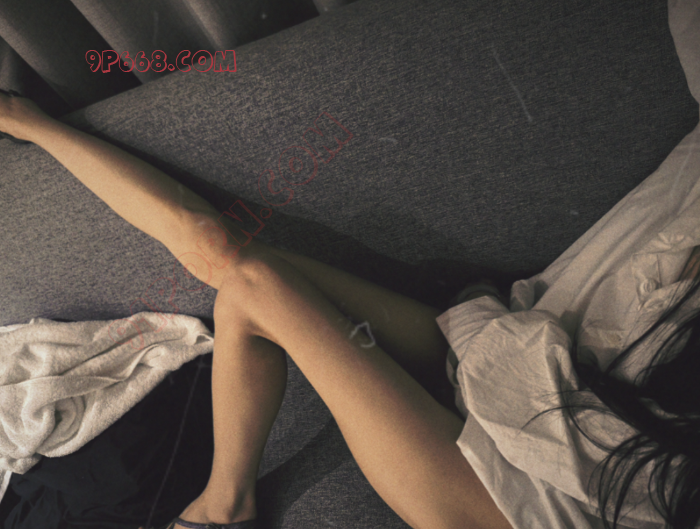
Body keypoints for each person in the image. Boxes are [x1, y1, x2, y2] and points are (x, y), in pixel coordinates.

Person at [1, 82, 698, 529]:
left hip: (519, 504)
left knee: (247, 283)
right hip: (517, 375)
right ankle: (28, 122)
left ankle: (224, 506)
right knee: (224, 256)